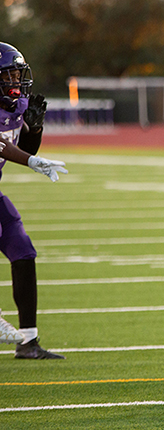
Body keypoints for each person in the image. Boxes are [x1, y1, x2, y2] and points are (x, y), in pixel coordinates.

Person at [0, 42, 69, 359]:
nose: (15, 82)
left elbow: (25, 143)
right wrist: (29, 162)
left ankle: (28, 341)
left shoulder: (15, 105)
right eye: (8, 75)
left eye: (17, 75)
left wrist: (36, 128)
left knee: (22, 251)